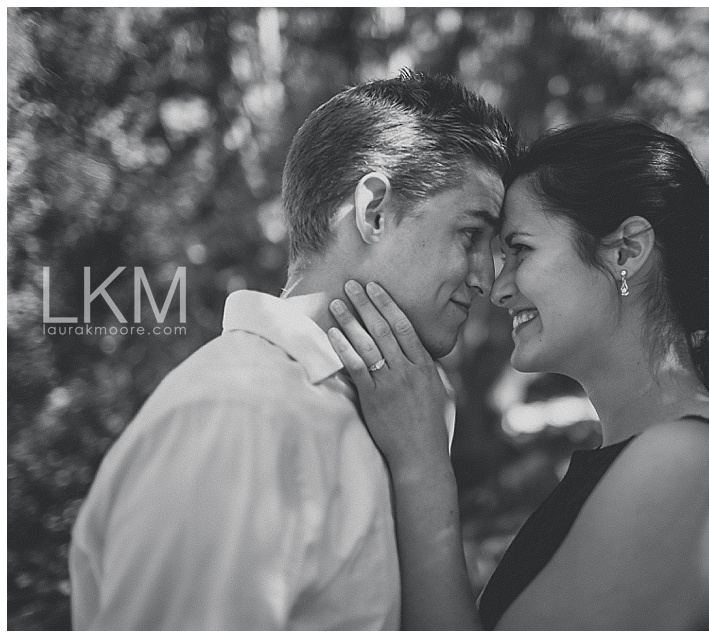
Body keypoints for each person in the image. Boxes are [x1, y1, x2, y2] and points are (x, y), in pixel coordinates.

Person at [327, 117, 709, 629]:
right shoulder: (649, 456)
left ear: (626, 251)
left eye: (520, 250)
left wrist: (423, 464)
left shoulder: (684, 465)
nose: (498, 288)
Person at [68, 70, 518, 630]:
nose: (485, 278)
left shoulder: (404, 407)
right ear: (373, 210)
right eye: (471, 234)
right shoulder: (237, 419)